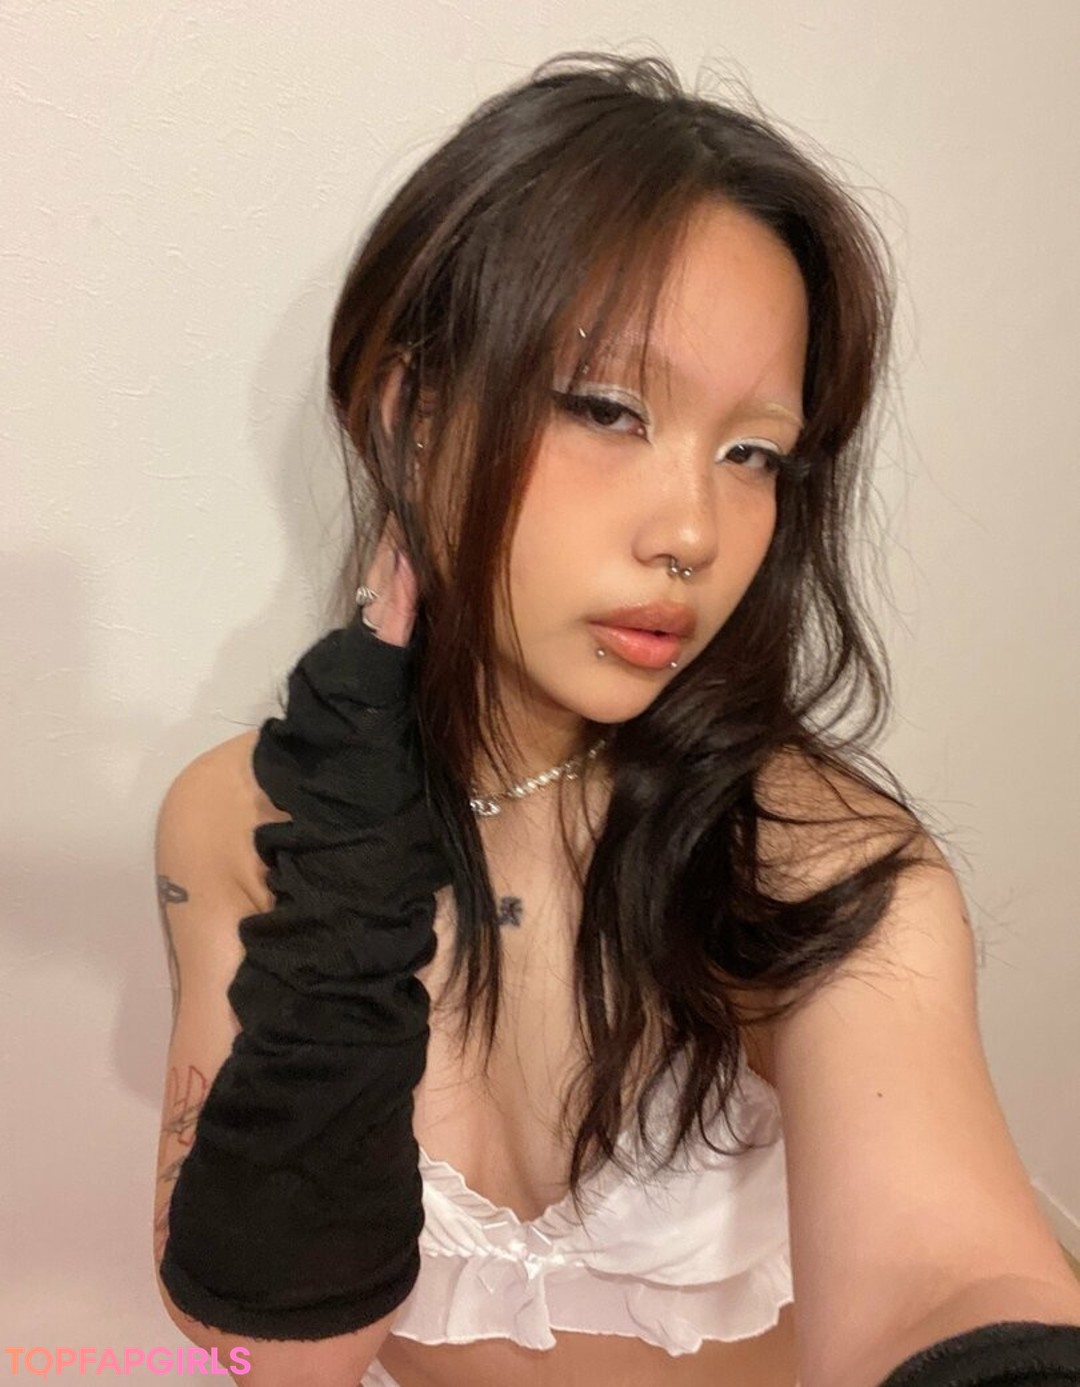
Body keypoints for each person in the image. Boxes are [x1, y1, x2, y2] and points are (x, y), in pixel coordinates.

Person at [151, 50, 1080, 1387]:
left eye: (752, 454)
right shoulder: (241, 821)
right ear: (413, 414)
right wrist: (349, 868)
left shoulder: (817, 869)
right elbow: (267, 1353)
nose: (694, 531)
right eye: (608, 409)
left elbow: (944, 1279)